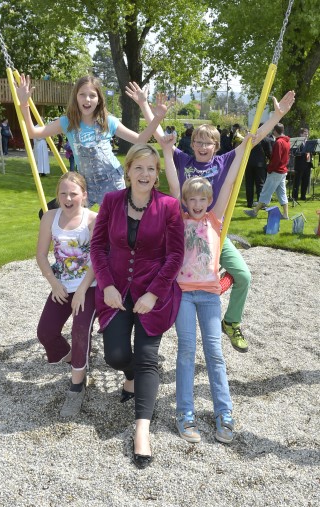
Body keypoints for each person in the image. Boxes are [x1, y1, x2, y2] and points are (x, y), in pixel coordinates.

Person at [126, 81, 295, 353]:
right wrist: (145, 105)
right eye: (199, 142)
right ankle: (149, 337)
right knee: (162, 280)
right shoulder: (183, 160)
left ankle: (231, 321)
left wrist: (276, 117)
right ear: (192, 144)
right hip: (182, 236)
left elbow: (253, 139)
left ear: (217, 146)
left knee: (243, 276)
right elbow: (161, 138)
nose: (203, 146)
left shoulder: (224, 161)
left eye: (208, 143)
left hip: (215, 233)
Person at [90, 144, 184, 469]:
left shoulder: (169, 206)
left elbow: (175, 256)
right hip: (116, 291)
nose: (145, 174)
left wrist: (154, 294)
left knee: (147, 356)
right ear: (128, 170)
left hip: (153, 294)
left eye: (151, 169)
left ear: (157, 174)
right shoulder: (111, 202)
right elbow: (98, 246)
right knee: (115, 356)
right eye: (139, 168)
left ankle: (141, 429)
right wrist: (107, 285)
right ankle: (130, 375)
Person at [160, 130, 254, 444]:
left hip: (210, 297)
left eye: (203, 199)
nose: (198, 204)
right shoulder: (178, 218)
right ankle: (185, 414)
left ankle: (224, 414)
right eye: (192, 199)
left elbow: (228, 182)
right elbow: (174, 184)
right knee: (186, 352)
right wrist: (165, 151)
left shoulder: (215, 220)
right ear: (185, 202)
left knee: (215, 353)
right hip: (185, 295)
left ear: (209, 201)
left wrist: (243, 149)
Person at [16, 74, 168, 207]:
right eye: (82, 94)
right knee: (58, 214)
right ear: (76, 97)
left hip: (111, 182)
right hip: (85, 184)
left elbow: (140, 140)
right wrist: (24, 104)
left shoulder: (108, 121)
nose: (87, 99)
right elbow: (33, 133)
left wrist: (157, 118)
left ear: (99, 99)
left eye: (92, 95)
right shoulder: (68, 122)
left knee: (115, 225)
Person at [36, 172, 97, 417]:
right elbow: (41, 255)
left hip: (88, 287)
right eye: (63, 193)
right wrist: (53, 283)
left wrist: (82, 290)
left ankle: (76, 385)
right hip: (61, 285)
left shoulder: (92, 219)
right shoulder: (50, 217)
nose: (68, 198)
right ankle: (75, 359)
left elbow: (97, 259)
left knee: (80, 331)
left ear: (84, 195)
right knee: (46, 333)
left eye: (73, 193)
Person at [244, 123, 291, 219]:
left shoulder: (279, 142)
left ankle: (255, 211)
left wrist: (269, 169)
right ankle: (285, 214)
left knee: (265, 192)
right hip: (282, 171)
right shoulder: (286, 142)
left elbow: (276, 159)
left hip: (276, 171)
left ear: (275, 131)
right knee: (282, 193)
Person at [244, 123, 273, 208]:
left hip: (248, 163)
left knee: (249, 184)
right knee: (260, 184)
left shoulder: (250, 138)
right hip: (260, 165)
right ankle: (261, 204)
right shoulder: (266, 139)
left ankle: (249, 203)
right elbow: (270, 153)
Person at [292, 127, 312, 201]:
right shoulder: (298, 142)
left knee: (305, 181)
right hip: (300, 165)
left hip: (307, 164)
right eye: (305, 133)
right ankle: (295, 196)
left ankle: (303, 196)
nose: (306, 135)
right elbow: (295, 153)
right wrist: (303, 152)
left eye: (307, 133)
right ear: (301, 134)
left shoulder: (309, 142)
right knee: (297, 181)